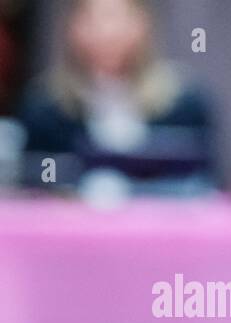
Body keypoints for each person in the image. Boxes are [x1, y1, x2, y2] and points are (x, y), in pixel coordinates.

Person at [17, 0, 216, 192]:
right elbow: (32, 189)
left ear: (143, 23)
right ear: (72, 26)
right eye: (91, 18)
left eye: (115, 17)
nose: (105, 32)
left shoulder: (185, 103)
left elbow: (208, 187)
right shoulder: (45, 106)